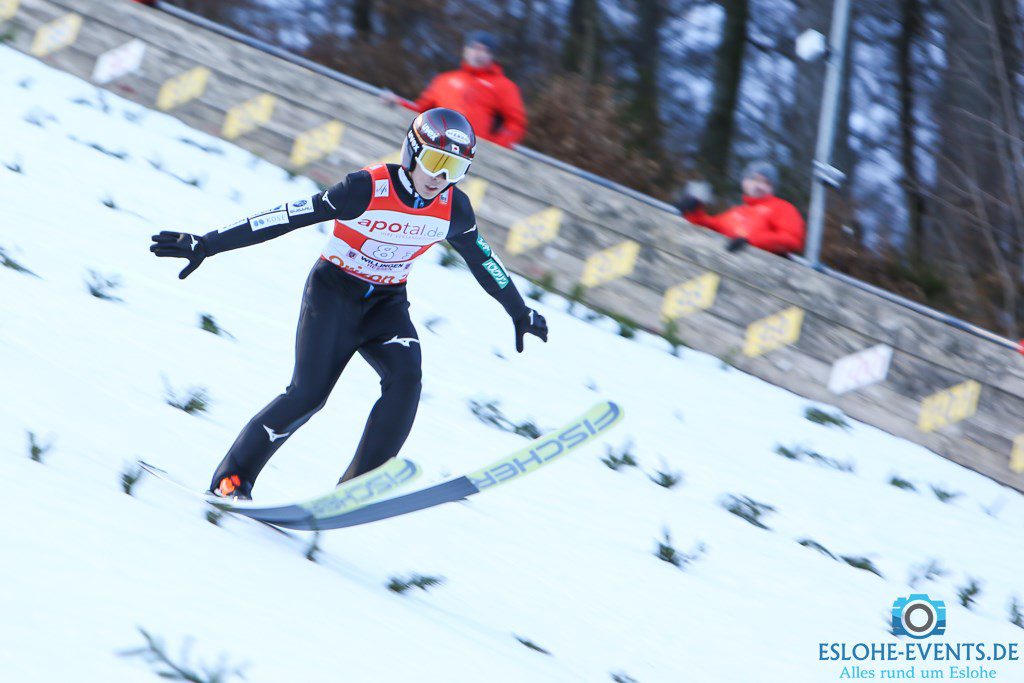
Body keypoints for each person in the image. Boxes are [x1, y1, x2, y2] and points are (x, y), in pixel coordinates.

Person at [150, 108, 548, 500]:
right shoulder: (365, 188)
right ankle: (232, 480)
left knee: (407, 381)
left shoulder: (453, 209)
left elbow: (484, 260)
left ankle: (357, 487)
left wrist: (519, 310)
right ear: (412, 153)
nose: (440, 178)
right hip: (333, 294)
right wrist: (207, 244)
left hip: (386, 305)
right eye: (434, 162)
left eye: (455, 169)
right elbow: (287, 216)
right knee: (307, 396)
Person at [382, 32, 527, 148]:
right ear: (465, 50)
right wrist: (399, 103)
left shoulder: (504, 86)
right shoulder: (444, 80)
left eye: (485, 50)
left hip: (475, 154)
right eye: (474, 48)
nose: (478, 54)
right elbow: (421, 111)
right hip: (436, 146)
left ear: (491, 56)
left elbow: (516, 124)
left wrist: (493, 147)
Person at [678, 161, 806, 256]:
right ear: (745, 182)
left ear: (772, 189)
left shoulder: (782, 207)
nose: (760, 186)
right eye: (755, 180)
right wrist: (693, 211)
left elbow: (792, 241)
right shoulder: (737, 212)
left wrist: (751, 240)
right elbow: (712, 225)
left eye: (767, 183)